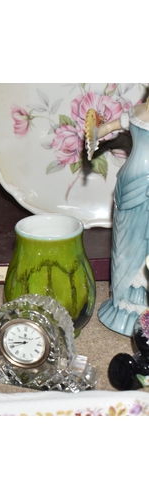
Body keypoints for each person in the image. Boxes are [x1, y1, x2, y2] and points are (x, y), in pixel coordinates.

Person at [85, 98, 149, 335]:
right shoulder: (137, 111)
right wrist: (94, 132)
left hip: (140, 183)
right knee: (126, 242)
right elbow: (106, 128)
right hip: (131, 182)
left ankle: (139, 307)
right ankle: (122, 305)